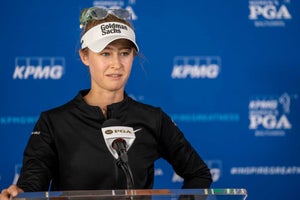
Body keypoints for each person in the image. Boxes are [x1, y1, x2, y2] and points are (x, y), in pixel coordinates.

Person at [0, 7, 212, 199]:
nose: (116, 64)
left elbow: (199, 174)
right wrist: (21, 192)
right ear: (85, 56)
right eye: (105, 53)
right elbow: (32, 182)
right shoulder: (53, 122)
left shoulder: (153, 119)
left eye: (124, 53)